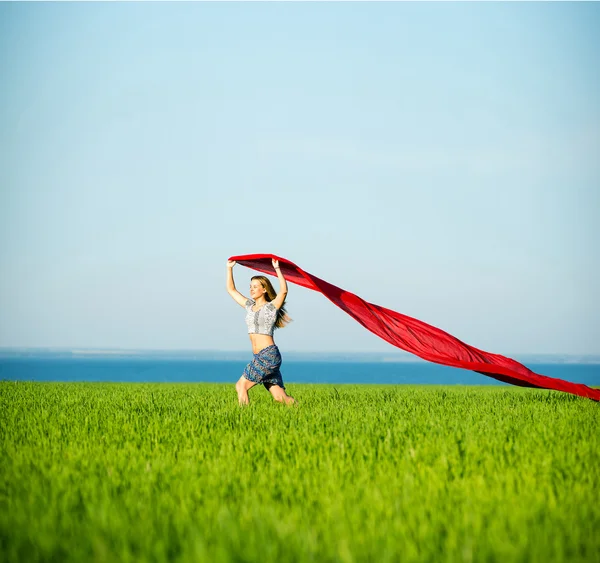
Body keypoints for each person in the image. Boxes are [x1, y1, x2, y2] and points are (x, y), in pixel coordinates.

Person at [226, 258, 296, 405]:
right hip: (260, 356)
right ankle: (302, 412)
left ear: (264, 289)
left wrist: (277, 269)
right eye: (250, 286)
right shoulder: (249, 306)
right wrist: (229, 269)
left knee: (241, 386)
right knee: (280, 398)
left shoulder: (271, 308)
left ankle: (243, 421)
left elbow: (283, 291)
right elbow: (231, 290)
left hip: (268, 355)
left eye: (255, 286)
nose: (251, 289)